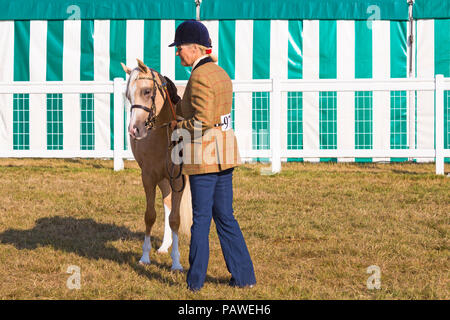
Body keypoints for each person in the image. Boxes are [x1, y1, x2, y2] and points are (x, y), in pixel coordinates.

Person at [167, 20, 256, 292]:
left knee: (201, 219)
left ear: (194, 49)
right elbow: (193, 108)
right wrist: (174, 99)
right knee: (225, 217)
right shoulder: (219, 73)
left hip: (205, 156)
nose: (177, 53)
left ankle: (194, 282)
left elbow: (202, 120)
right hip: (224, 153)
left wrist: (176, 128)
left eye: (180, 48)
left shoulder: (199, 77)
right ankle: (244, 277)